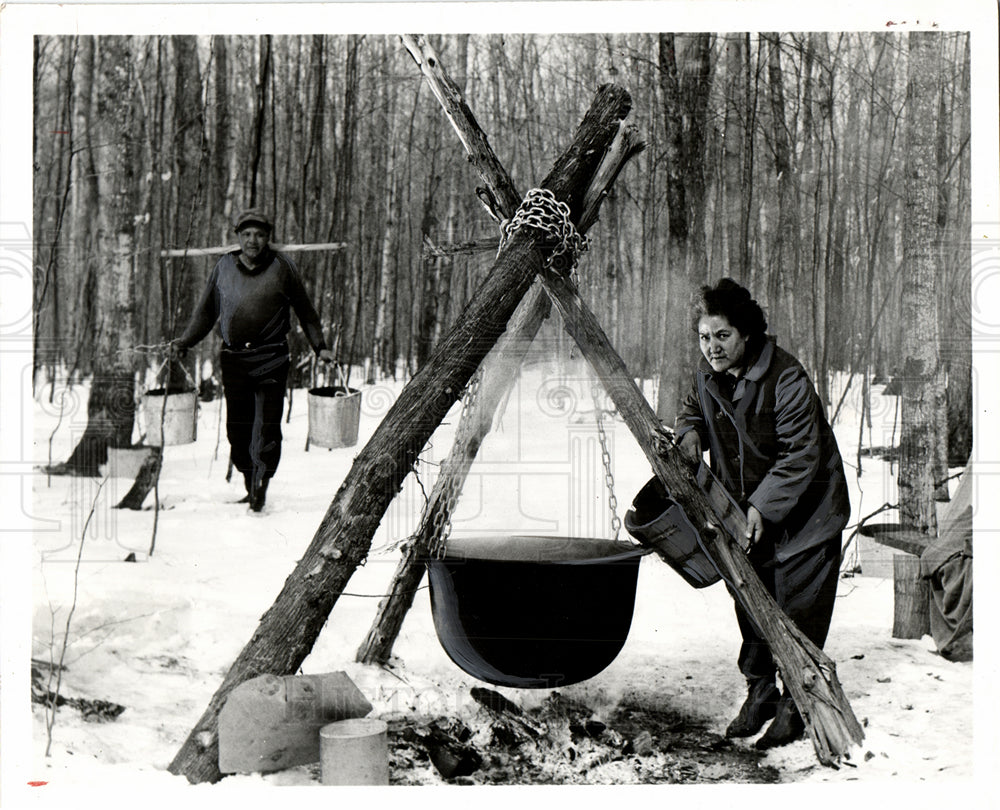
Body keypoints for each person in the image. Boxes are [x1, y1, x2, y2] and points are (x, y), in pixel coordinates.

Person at [672, 278, 850, 750]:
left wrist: (760, 507)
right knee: (749, 598)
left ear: (746, 333)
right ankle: (760, 691)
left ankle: (795, 701)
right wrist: (690, 433)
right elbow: (692, 410)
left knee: (797, 607)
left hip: (808, 512)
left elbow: (800, 455)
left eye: (722, 336)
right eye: (704, 337)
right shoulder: (706, 377)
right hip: (748, 511)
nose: (712, 347)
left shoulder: (786, 377)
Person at [171, 208, 334, 512]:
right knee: (238, 428)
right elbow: (206, 312)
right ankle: (249, 479)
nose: (253, 240)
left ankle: (261, 486)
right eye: (246, 234)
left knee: (269, 426)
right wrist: (186, 341)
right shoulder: (223, 267)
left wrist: (320, 346)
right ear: (238, 237)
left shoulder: (283, 267)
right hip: (234, 359)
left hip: (272, 355)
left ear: (268, 238)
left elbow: (306, 311)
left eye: (259, 234)